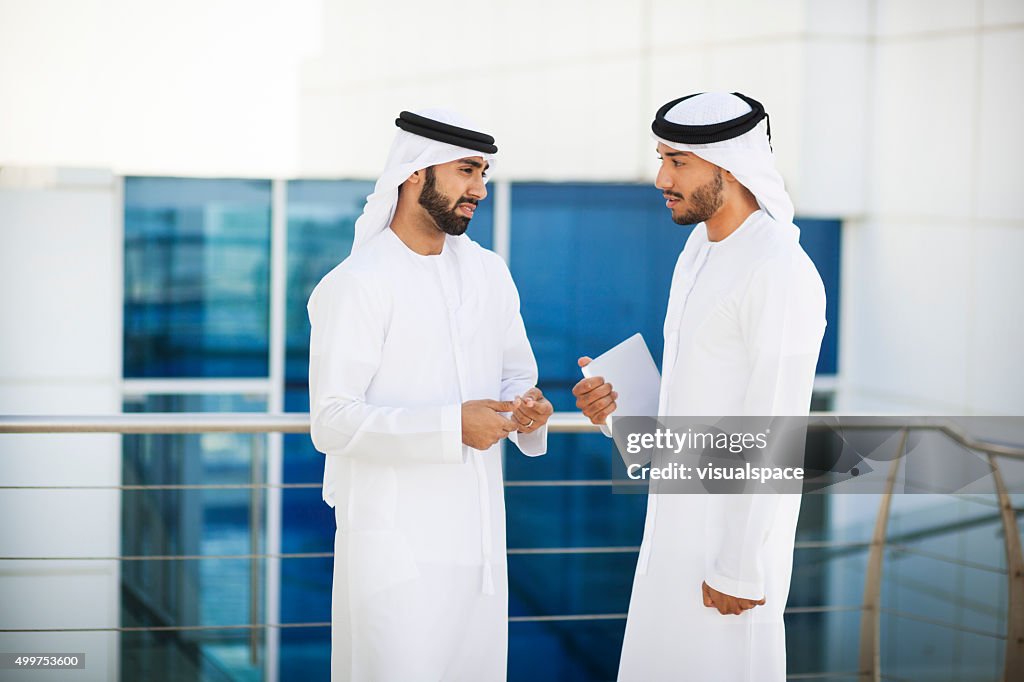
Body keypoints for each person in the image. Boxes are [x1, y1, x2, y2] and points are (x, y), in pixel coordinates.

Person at [573, 92, 826, 681]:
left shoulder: (779, 271)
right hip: (673, 536)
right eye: (662, 158)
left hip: (728, 553)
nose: (661, 177)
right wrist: (618, 414)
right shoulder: (699, 251)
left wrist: (738, 566)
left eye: (678, 161)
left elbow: (774, 428)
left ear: (730, 166)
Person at [307, 108, 553, 681]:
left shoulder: (491, 273)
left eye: (484, 174)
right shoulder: (357, 284)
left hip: (481, 553)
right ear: (415, 173)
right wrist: (451, 427)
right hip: (396, 559)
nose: (480, 190)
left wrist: (530, 408)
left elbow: (517, 377)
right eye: (467, 171)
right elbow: (332, 421)